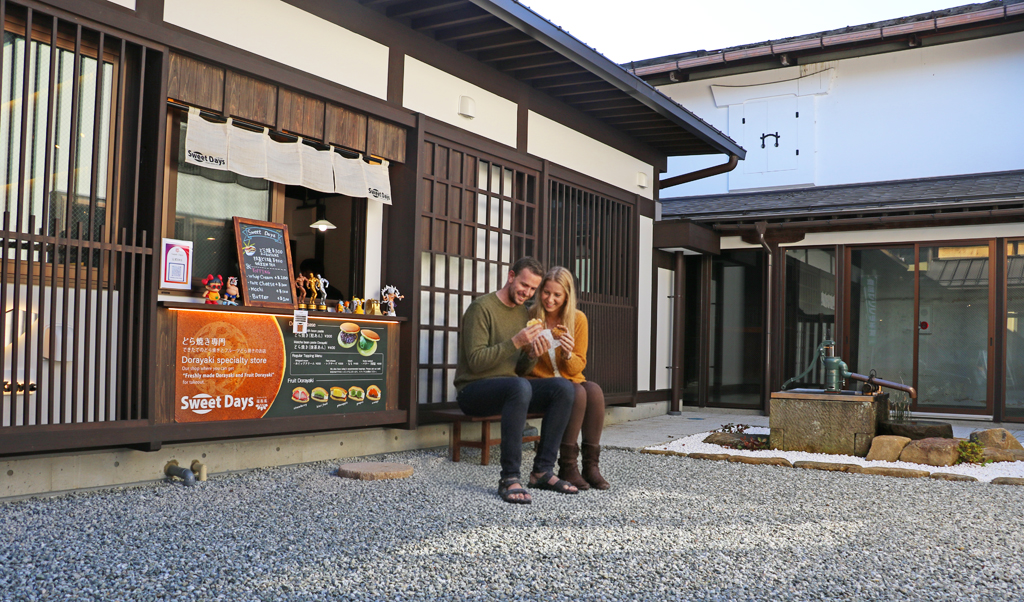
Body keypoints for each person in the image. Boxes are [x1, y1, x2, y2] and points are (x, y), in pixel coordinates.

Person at [454, 257, 578, 504]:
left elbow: (520, 369)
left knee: (563, 388)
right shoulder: (481, 308)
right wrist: (516, 342)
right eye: (524, 285)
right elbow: (476, 361)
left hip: (510, 389)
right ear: (511, 277)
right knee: (518, 387)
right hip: (473, 391)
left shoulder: (523, 313)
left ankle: (542, 470)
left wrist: (532, 354)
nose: (528, 293)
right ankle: (509, 477)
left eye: (533, 289)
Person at [528, 266, 609, 490]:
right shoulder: (532, 317)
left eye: (557, 295)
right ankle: (568, 465)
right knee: (578, 391)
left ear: (567, 296)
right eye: (546, 292)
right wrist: (533, 349)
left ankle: (591, 466)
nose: (550, 299)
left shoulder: (578, 320)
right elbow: (523, 362)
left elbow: (578, 366)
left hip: (569, 380)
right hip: (540, 383)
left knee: (594, 390)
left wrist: (567, 354)